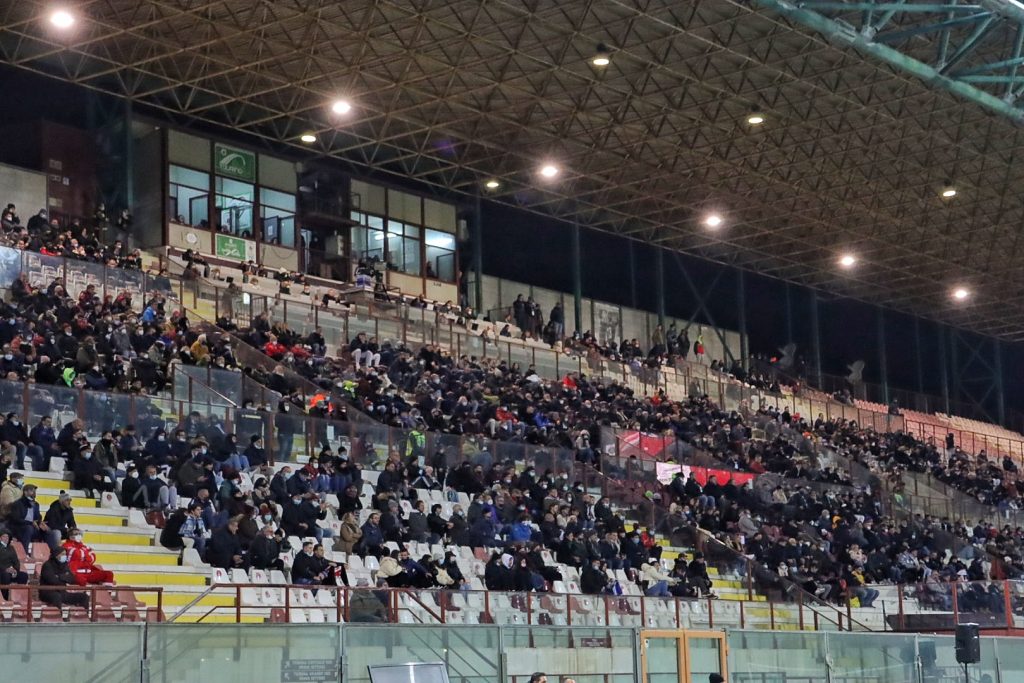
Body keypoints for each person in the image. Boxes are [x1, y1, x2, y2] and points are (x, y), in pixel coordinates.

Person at [0, 529, 28, 599]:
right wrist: (5, 569)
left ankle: (19, 597)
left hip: (11, 571)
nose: (6, 538)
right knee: (5, 576)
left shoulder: (11, 548)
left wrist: (15, 570)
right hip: (2, 571)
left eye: (7, 537)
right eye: (4, 536)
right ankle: (4, 598)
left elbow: (16, 561)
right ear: (0, 538)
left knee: (24, 576)